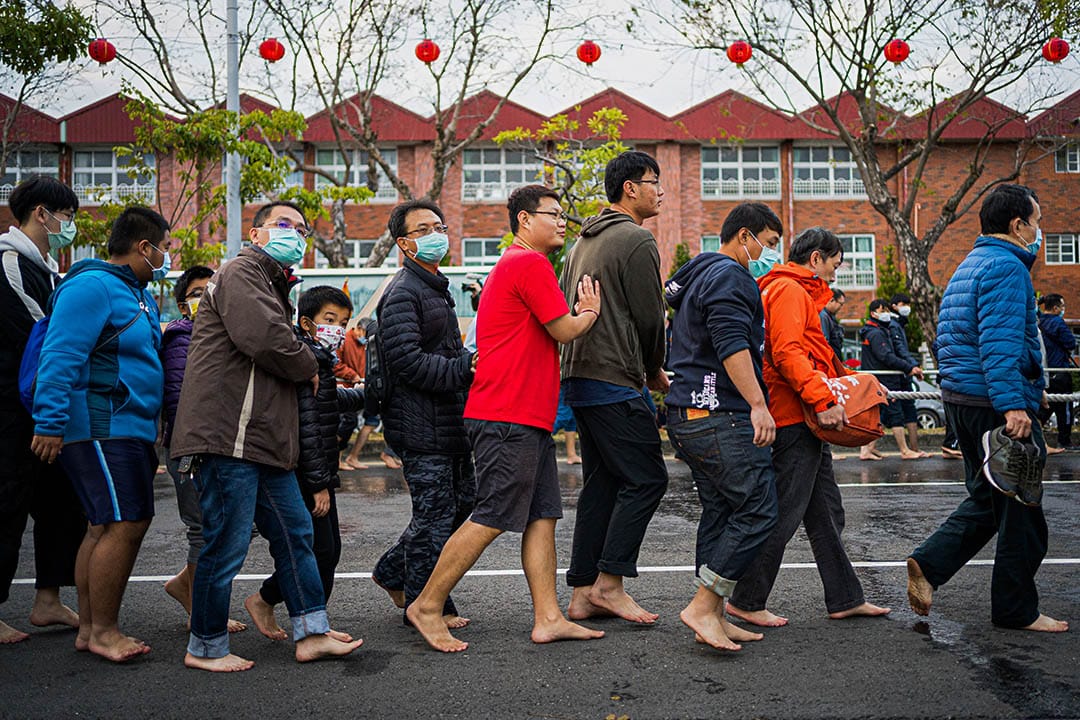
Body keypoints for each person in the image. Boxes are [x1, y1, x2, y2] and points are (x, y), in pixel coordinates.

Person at [406, 184, 604, 652]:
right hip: (506, 413)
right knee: (492, 514)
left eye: (562, 215)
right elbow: (565, 329)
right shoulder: (528, 263)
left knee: (542, 516)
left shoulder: (518, 264)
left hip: (524, 415)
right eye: (552, 214)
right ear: (523, 221)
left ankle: (549, 617)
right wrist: (590, 311)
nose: (561, 222)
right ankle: (427, 605)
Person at [171, 201, 362, 672]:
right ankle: (206, 646)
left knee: (297, 533)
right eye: (283, 225)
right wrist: (310, 366)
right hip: (228, 435)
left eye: (301, 229)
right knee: (227, 542)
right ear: (256, 234)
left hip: (262, 439)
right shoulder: (241, 271)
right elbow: (267, 339)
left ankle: (311, 631)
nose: (294, 233)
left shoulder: (274, 284)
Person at [907, 184, 1068, 633]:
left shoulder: (970, 264)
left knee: (987, 499)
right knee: (1023, 513)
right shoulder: (1007, 268)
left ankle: (929, 563)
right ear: (1018, 225)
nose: (1038, 232)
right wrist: (1014, 406)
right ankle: (1017, 610)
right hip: (997, 404)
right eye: (1036, 223)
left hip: (964, 401)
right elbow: (999, 345)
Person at [726, 227, 891, 627]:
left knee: (825, 513)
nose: (836, 274)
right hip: (794, 417)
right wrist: (824, 399)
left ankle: (845, 596)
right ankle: (745, 599)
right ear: (816, 258)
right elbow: (787, 352)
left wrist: (849, 382)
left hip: (800, 415)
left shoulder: (785, 289)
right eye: (834, 264)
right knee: (784, 513)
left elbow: (814, 354)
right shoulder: (789, 290)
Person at [30, 206, 170, 662]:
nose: (166, 257)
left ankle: (92, 628)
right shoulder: (92, 286)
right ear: (143, 247)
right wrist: (50, 422)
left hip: (127, 426)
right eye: (164, 248)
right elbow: (60, 354)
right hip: (100, 425)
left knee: (104, 524)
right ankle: (104, 631)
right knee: (125, 523)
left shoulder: (138, 293)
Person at [663, 202, 782, 651]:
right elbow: (732, 345)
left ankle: (711, 614)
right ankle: (704, 603)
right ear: (745, 235)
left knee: (721, 510)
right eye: (769, 244)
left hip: (687, 413)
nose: (770, 253)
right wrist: (758, 404)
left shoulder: (699, 275)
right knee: (757, 508)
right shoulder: (731, 277)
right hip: (719, 415)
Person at [559, 150, 670, 624]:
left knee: (602, 484)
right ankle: (610, 584)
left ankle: (583, 591)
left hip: (580, 375)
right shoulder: (635, 240)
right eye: (653, 182)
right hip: (614, 376)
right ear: (630, 188)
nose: (659, 191)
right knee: (648, 478)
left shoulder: (583, 240)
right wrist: (654, 369)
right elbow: (650, 318)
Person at [370, 200, 477, 628]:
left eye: (439, 225)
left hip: (449, 421)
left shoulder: (433, 287)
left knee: (461, 504)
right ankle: (424, 603)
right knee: (434, 516)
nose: (436, 234)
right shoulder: (403, 293)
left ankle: (393, 571)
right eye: (423, 229)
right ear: (404, 243)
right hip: (419, 425)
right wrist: (464, 369)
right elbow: (407, 362)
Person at [247, 286, 364, 637]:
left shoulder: (318, 357)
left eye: (343, 322)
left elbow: (327, 406)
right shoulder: (304, 359)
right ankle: (288, 611)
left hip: (317, 469)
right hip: (305, 473)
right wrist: (319, 484)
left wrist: (368, 394)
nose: (337, 329)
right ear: (306, 322)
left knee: (326, 550)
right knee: (319, 551)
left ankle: (281, 606)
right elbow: (309, 427)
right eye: (330, 320)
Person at [0, 177, 85, 644]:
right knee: (6, 504)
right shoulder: (9, 263)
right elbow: (44, 333)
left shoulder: (50, 268)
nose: (68, 225)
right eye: (66, 216)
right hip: (10, 410)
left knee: (59, 503)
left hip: (43, 408)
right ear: (41, 213)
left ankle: (48, 600)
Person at [160, 265, 247, 634]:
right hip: (193, 446)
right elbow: (180, 399)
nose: (205, 297)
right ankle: (201, 609)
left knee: (229, 524)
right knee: (204, 527)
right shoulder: (183, 338)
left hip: (219, 445)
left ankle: (187, 586)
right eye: (197, 293)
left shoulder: (225, 335)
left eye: (211, 289)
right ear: (183, 305)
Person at [858, 298, 926, 461]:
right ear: (874, 313)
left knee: (877, 415)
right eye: (883, 311)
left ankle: (867, 450)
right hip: (885, 378)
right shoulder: (876, 333)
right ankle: (904, 450)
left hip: (880, 377)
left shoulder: (878, 330)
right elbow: (886, 356)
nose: (886, 314)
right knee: (895, 414)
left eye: (887, 311)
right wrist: (908, 367)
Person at [339, 319, 401, 471]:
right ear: (359, 329)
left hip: (367, 389)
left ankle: (353, 456)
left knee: (373, 422)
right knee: (347, 423)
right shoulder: (345, 341)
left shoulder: (367, 343)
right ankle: (337, 458)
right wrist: (352, 375)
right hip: (349, 389)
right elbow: (337, 364)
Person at [888, 293, 928, 455]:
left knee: (909, 408)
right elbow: (899, 349)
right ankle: (906, 450)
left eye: (907, 303)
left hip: (903, 373)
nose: (906, 307)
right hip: (898, 374)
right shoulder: (893, 325)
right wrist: (911, 365)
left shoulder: (899, 324)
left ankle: (914, 449)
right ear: (893, 306)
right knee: (896, 411)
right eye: (902, 303)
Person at [1037, 294, 1075, 451]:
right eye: (1062, 307)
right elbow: (1070, 343)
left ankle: (1036, 435)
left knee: (1046, 405)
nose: (1063, 310)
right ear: (1055, 308)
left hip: (1045, 372)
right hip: (1060, 370)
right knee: (1064, 408)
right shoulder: (1058, 322)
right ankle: (1064, 440)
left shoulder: (1038, 322)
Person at [552, 389, 581, 464]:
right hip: (567, 383)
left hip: (573, 385)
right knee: (564, 416)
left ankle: (572, 455)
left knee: (572, 420)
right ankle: (537, 438)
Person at [820, 288, 846, 359]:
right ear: (831, 300)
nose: (840, 308)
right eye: (840, 304)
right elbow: (825, 342)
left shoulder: (829, 316)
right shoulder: (823, 316)